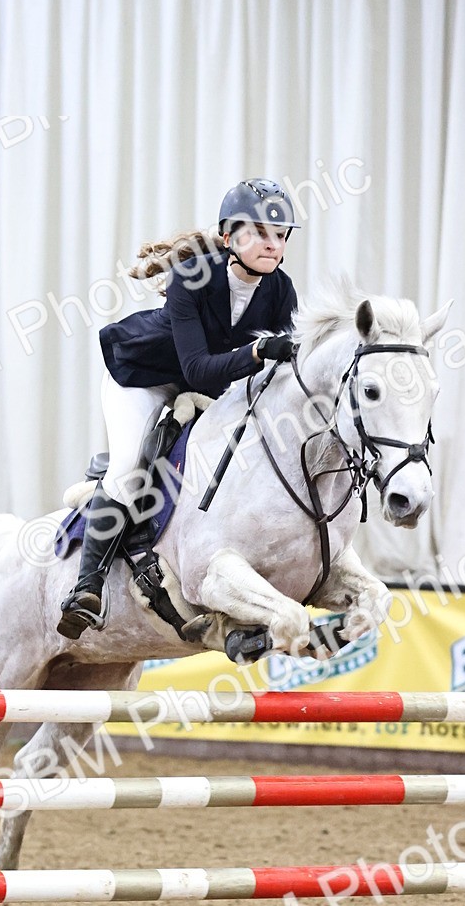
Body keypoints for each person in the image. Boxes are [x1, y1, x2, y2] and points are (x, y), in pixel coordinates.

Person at [57, 177, 300, 640]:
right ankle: (86, 587)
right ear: (229, 238)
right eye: (260, 233)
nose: (273, 244)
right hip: (144, 378)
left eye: (280, 235)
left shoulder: (281, 291)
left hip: (209, 383)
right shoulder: (193, 278)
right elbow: (197, 366)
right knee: (130, 469)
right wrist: (256, 354)